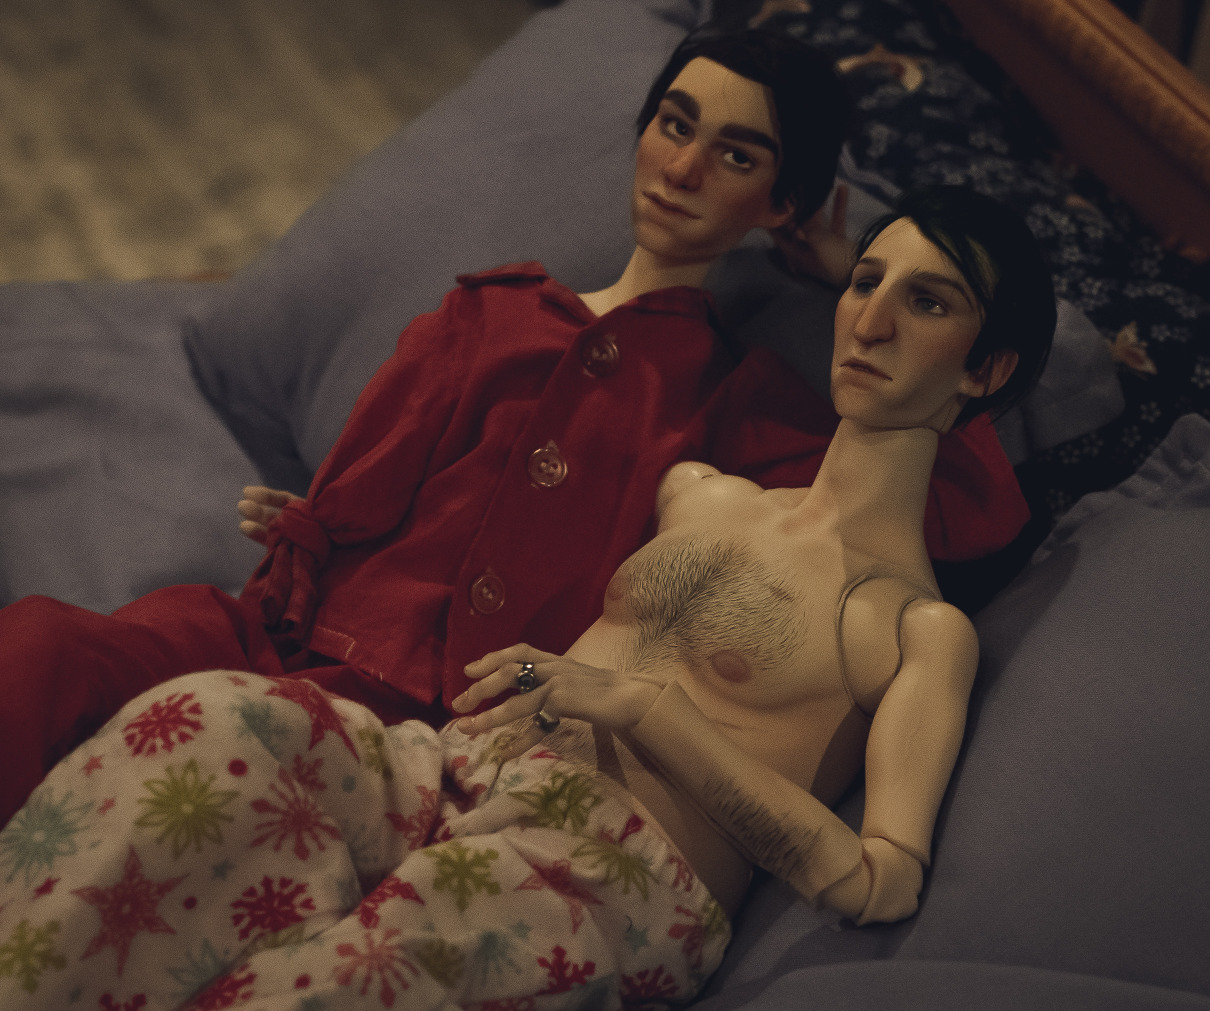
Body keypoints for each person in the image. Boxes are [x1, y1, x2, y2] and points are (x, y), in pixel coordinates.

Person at [0, 186, 1057, 1011]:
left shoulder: (915, 628)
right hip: (453, 768)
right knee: (220, 725)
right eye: (865, 282)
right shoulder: (700, 493)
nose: (871, 319)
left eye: (927, 302)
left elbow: (878, 883)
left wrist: (648, 711)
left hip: (609, 877)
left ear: (988, 366)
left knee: (341, 986)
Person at [0, 30, 1029, 828]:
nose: (681, 169)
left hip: (423, 733)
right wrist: (303, 534)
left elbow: (963, 506)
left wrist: (842, 276)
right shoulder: (486, 310)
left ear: (781, 202)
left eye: (734, 155)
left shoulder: (736, 400)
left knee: (183, 804)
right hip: (272, 638)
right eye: (673, 125)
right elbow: (355, 502)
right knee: (40, 647)